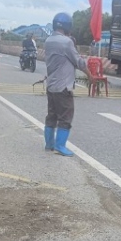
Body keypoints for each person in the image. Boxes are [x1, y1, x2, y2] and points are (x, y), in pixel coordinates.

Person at [43, 12, 87, 156]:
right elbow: (79, 62)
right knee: (65, 117)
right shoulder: (67, 42)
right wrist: (91, 75)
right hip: (63, 87)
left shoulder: (48, 41)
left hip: (51, 86)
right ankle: (60, 146)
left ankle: (49, 144)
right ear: (68, 26)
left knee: (51, 115)